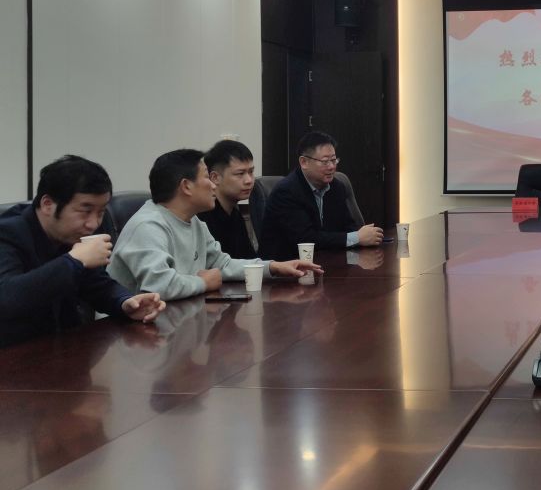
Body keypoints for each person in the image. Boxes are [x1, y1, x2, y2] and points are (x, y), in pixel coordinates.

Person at [109, 149, 322, 300]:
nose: (213, 185)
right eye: (206, 177)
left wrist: (273, 267)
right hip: (127, 334)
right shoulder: (148, 226)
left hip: (175, 318)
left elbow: (222, 264)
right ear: (186, 186)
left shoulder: (194, 221)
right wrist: (203, 283)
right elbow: (159, 286)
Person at [0, 155, 165, 347]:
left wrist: (126, 302)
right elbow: (7, 299)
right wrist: (73, 261)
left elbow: (95, 284)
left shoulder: (74, 233)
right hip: (14, 354)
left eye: (101, 212)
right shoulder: (7, 233)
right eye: (85, 211)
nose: (93, 223)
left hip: (64, 348)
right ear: (47, 204)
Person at [258, 130, 383, 261]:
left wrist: (365, 236)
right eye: (325, 161)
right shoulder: (286, 192)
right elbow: (306, 239)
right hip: (287, 266)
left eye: (334, 160)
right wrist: (356, 238)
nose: (331, 167)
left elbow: (348, 227)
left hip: (327, 261)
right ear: (304, 162)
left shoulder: (337, 187)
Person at [198, 139, 258, 259]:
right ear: (215, 177)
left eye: (251, 172)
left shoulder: (234, 214)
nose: (249, 180)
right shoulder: (202, 218)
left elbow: (248, 260)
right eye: (240, 174)